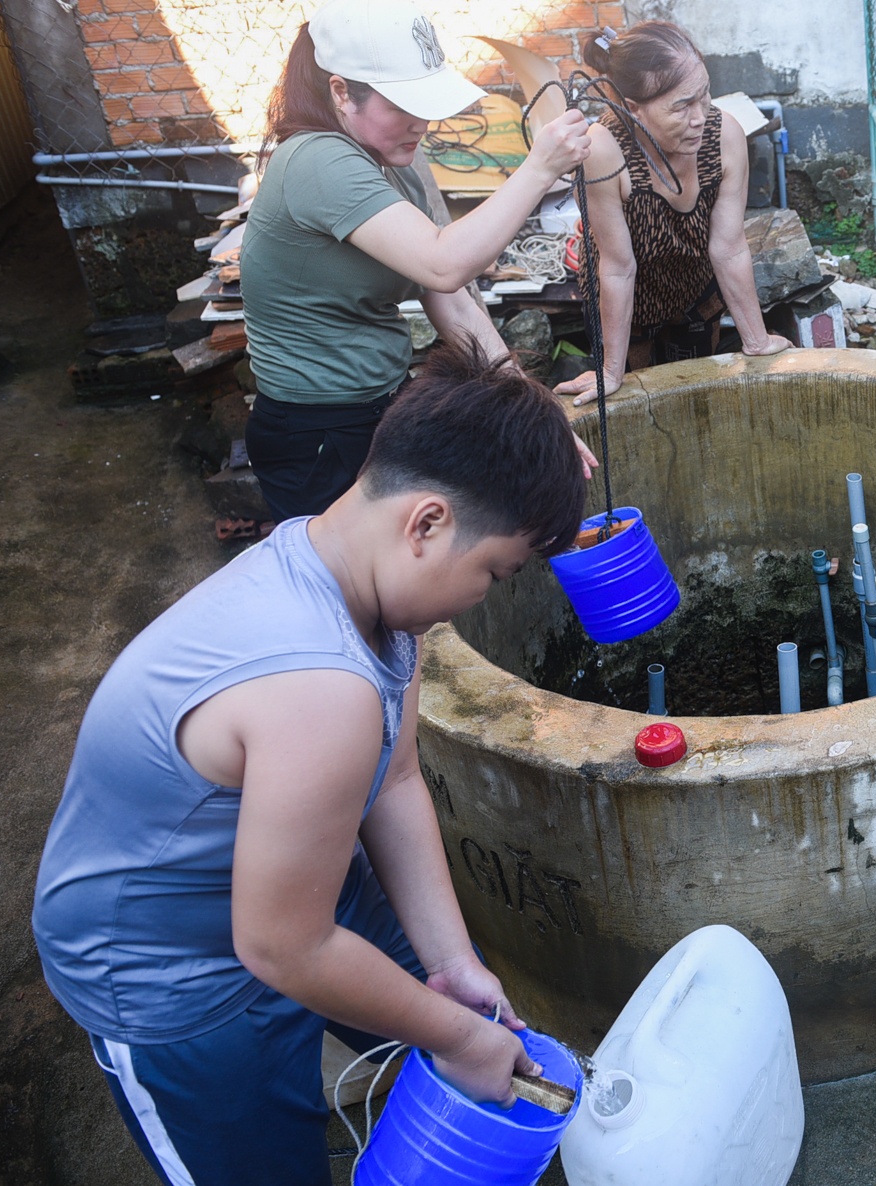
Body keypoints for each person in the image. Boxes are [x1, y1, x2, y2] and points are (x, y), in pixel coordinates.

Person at [31, 341, 585, 1183]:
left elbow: (395, 782)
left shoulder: (354, 577)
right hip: (173, 974)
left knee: (448, 1016)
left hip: (290, 894)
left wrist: (451, 961)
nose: (484, 596)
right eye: (495, 573)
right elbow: (284, 949)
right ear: (428, 523)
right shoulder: (318, 686)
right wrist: (461, 1034)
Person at [242, 0, 596, 520]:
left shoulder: (392, 159)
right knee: (350, 590)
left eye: (424, 106)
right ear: (341, 92)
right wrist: (539, 168)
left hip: (379, 402)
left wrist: (535, 408)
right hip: (314, 430)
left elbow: (450, 298)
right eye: (402, 106)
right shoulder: (316, 160)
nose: (421, 124)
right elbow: (443, 262)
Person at [550, 22, 792, 404]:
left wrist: (757, 340)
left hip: (694, 289)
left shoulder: (723, 134)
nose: (699, 117)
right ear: (635, 109)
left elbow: (728, 247)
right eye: (681, 106)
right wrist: (611, 372)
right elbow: (617, 266)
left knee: (697, 402)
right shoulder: (604, 151)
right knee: (633, 404)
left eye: (704, 96)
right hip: (627, 301)